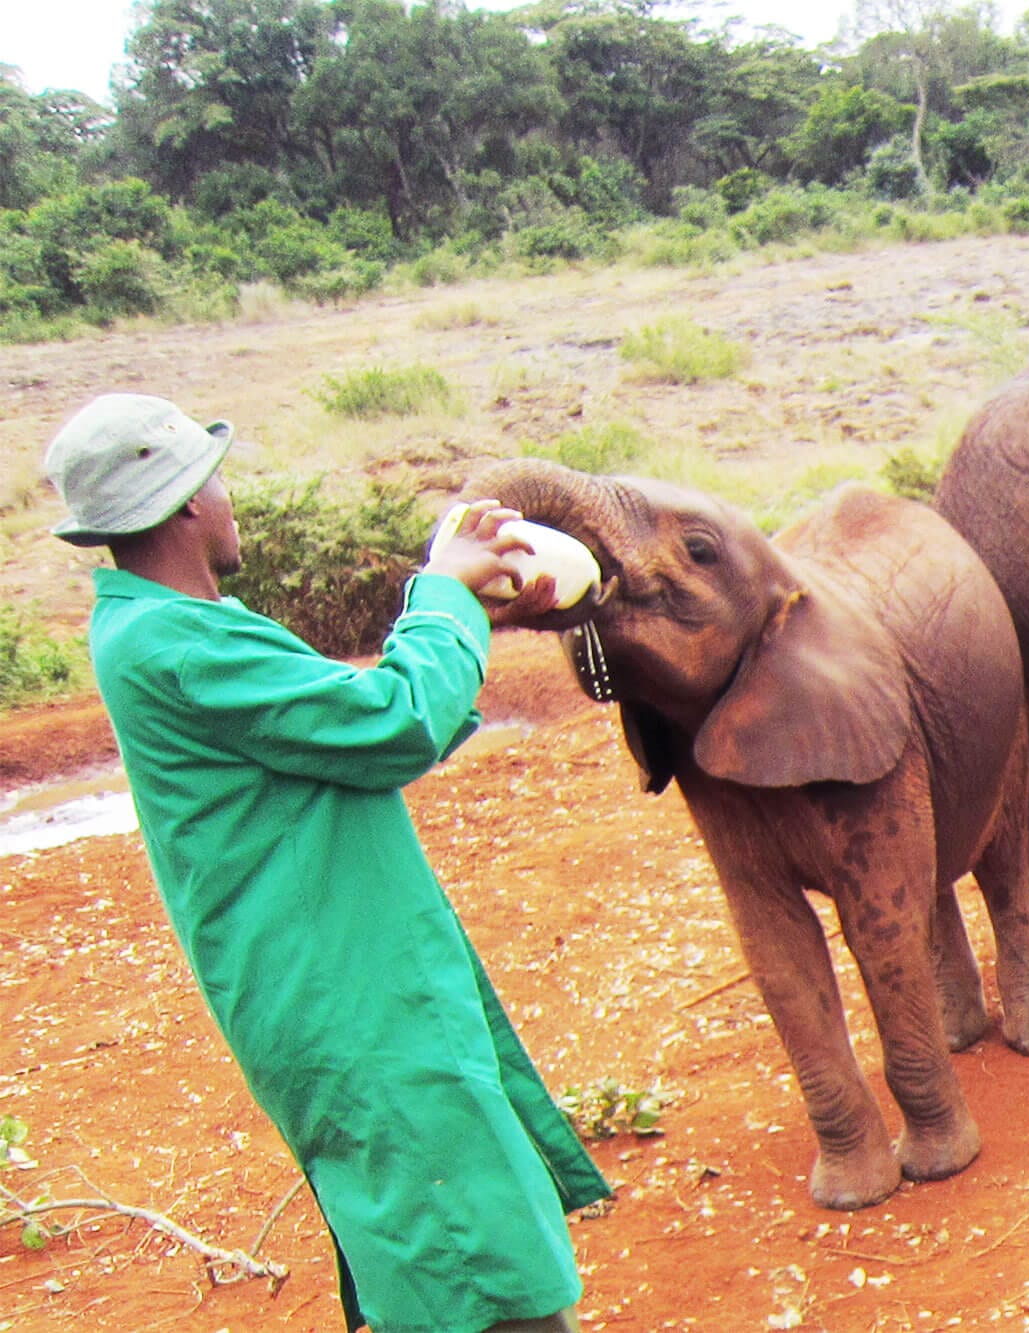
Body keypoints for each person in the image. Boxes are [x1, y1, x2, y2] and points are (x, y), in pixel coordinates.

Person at [42, 393, 612, 1331]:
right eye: (214, 479)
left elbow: (343, 715)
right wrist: (441, 592)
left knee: (442, 1234)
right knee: (470, 1263)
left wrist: (468, 611)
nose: (228, 501)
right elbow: (392, 723)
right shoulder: (176, 644)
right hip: (347, 1000)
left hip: (338, 983)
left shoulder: (170, 630)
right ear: (187, 500)